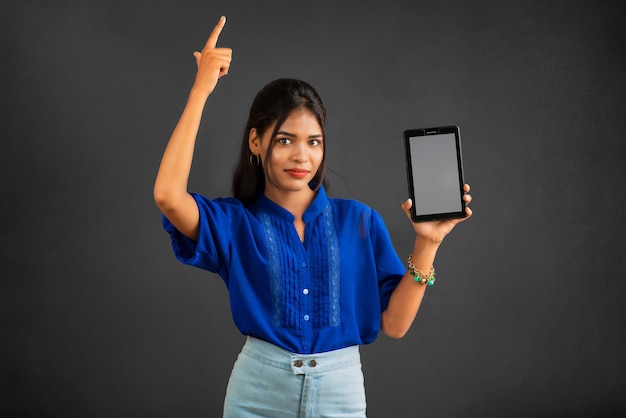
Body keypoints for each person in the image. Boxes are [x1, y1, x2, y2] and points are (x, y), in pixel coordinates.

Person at [154, 16, 472, 418]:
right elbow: (167, 195)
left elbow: (395, 324)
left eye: (314, 142)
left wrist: (428, 242)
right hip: (257, 392)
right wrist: (201, 90)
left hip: (341, 394)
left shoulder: (359, 220)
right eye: (285, 140)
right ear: (256, 140)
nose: (302, 156)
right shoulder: (233, 223)